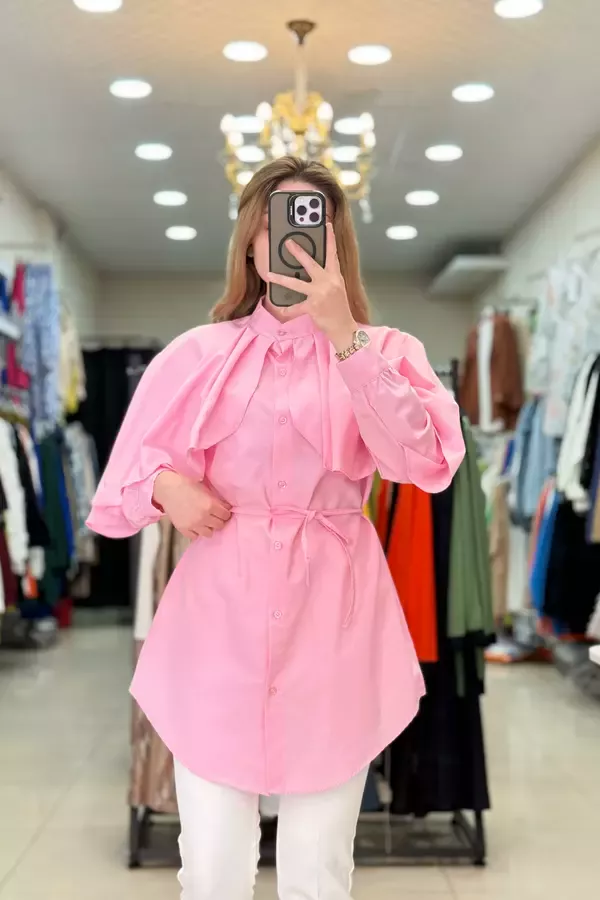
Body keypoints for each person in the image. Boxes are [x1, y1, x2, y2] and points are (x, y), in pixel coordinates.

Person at [87, 156, 465, 900]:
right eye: (273, 223)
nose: (290, 240)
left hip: (335, 628)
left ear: (335, 242)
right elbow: (116, 491)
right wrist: (166, 486)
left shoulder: (389, 352)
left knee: (318, 871)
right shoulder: (198, 355)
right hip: (216, 629)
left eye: (309, 224)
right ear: (251, 244)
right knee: (211, 869)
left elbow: (425, 462)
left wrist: (345, 337)